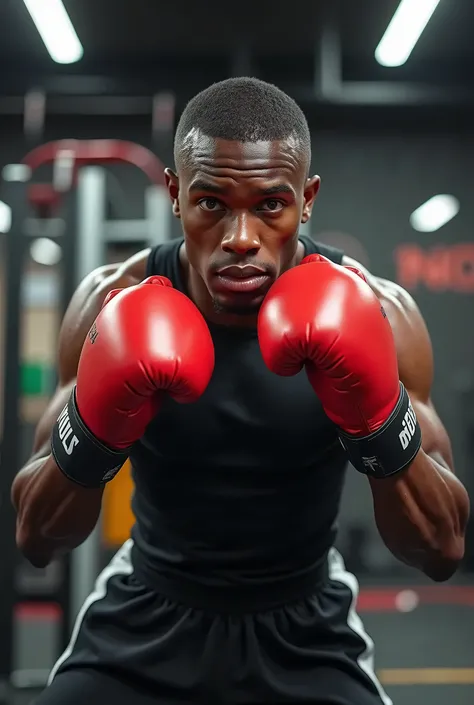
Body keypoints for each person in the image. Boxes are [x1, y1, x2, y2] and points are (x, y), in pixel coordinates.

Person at [12, 77, 469, 705]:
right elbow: (37, 537)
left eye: (271, 205)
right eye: (211, 203)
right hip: (147, 610)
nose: (241, 237)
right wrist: (93, 428)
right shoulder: (110, 302)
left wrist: (377, 417)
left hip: (305, 623)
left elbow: (442, 548)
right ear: (175, 195)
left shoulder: (381, 314)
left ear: (307, 201)